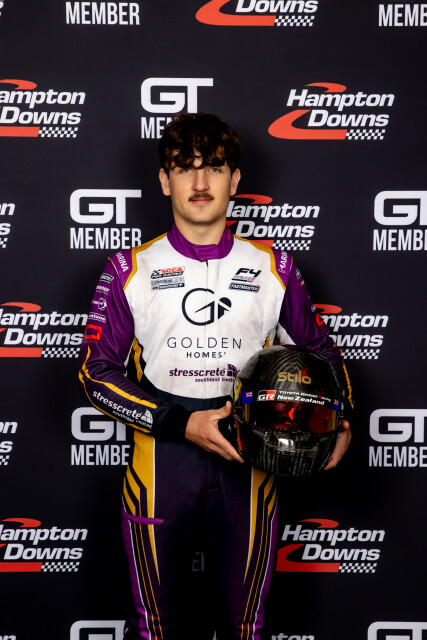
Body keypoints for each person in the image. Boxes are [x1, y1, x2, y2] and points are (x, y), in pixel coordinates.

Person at [78, 113, 353, 640]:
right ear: (165, 181)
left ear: (235, 180)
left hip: (251, 458)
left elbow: (320, 350)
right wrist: (180, 423)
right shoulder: (129, 269)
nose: (200, 182)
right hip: (161, 460)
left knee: (244, 625)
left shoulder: (274, 267)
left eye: (215, 167)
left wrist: (342, 418)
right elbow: (96, 372)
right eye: (185, 168)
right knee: (154, 626)